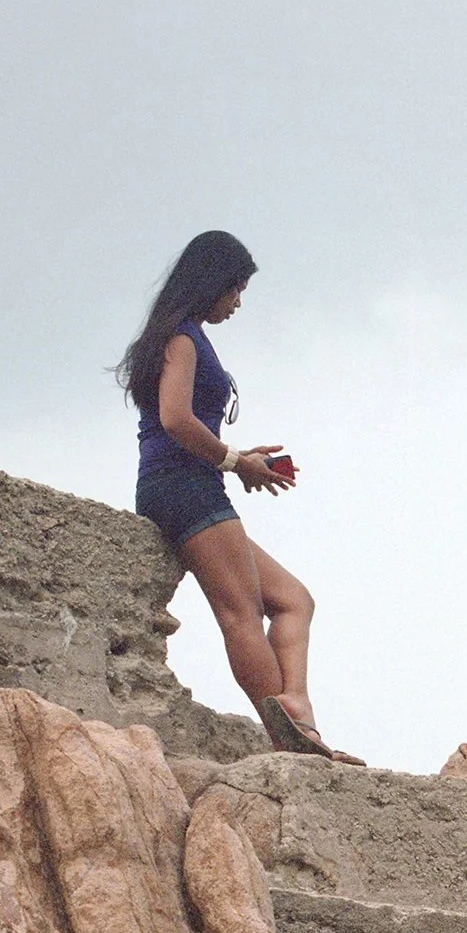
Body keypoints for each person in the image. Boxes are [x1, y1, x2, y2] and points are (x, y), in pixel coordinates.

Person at [119, 230, 357, 761]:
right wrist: (233, 461)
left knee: (294, 600)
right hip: (182, 486)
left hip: (187, 482)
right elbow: (175, 419)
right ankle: (292, 741)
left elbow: (183, 422)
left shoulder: (182, 336)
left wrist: (239, 459)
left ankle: (296, 708)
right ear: (212, 283)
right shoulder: (181, 338)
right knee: (240, 612)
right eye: (235, 289)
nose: (238, 302)